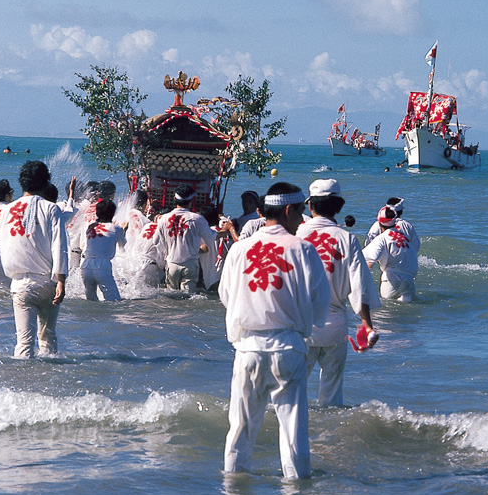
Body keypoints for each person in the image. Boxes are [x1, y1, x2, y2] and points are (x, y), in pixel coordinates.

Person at [219, 182, 329, 479]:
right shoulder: (303, 249)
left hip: (248, 349)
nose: (302, 219)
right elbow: (321, 305)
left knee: (239, 430)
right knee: (293, 435)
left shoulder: (240, 248)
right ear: (289, 210)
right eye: (301, 212)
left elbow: (226, 296)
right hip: (288, 348)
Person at [296, 179, 380, 406]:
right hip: (335, 326)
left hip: (301, 326)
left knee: (292, 394)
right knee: (332, 397)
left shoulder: (296, 235)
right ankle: (330, 438)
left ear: (310, 206)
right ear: (339, 207)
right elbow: (359, 285)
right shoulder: (348, 239)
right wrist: (366, 324)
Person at [0, 160, 68, 358]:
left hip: (20, 284)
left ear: (22, 183)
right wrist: (61, 280)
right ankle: (49, 382)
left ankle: (21, 383)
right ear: (45, 183)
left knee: (23, 343)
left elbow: (1, 246)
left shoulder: (7, 210)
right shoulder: (51, 209)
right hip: (48, 282)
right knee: (48, 338)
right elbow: (60, 246)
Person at [154, 185, 218, 293]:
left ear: (174, 199)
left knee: (171, 298)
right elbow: (210, 239)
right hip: (190, 265)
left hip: (171, 264)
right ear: (191, 201)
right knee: (188, 300)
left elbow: (156, 242)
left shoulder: (163, 218)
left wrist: (166, 250)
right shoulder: (197, 218)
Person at [363, 205, 419, 302]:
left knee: (386, 312)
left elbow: (369, 261)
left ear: (379, 224)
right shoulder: (405, 238)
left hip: (390, 281)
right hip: (409, 281)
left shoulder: (382, 238)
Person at [80, 199, 126, 301]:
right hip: (102, 266)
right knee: (114, 300)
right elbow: (122, 247)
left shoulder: (90, 227)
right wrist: (124, 231)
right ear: (113, 213)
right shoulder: (117, 228)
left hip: (86, 265)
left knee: (90, 301)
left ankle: (92, 317)